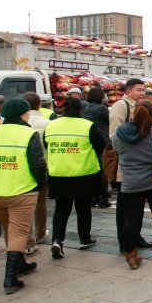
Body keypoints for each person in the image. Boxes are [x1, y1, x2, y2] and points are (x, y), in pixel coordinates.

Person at [0, 98, 48, 294]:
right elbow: (38, 164)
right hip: (21, 190)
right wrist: (41, 184)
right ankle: (10, 278)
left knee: (9, 230)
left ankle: (20, 263)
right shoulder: (27, 133)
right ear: (23, 114)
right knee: (19, 233)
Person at [111, 99, 152, 270]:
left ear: (134, 113)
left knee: (131, 219)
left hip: (131, 184)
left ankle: (131, 256)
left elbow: (115, 147)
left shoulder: (120, 133)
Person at [44, 97, 104, 258]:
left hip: (58, 173)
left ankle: (57, 240)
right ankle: (84, 238)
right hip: (84, 174)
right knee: (83, 208)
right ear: (80, 110)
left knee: (61, 208)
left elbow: (46, 144)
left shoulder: (51, 125)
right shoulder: (87, 125)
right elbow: (100, 146)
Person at [108, 78, 152, 248]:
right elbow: (114, 135)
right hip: (125, 164)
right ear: (128, 91)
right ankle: (125, 241)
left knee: (136, 206)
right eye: (138, 90)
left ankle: (135, 237)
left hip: (139, 164)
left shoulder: (140, 106)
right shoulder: (121, 106)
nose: (142, 93)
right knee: (124, 206)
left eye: (143, 90)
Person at [22, 93, 52, 254]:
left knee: (24, 208)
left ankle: (28, 241)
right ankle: (40, 233)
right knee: (40, 204)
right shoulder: (47, 123)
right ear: (39, 104)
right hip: (42, 166)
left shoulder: (14, 125)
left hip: (20, 170)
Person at [83, 86, 112, 208]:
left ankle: (93, 196)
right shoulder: (102, 108)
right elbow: (111, 121)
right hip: (103, 140)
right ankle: (103, 197)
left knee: (93, 169)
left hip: (89, 141)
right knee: (103, 170)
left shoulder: (85, 107)